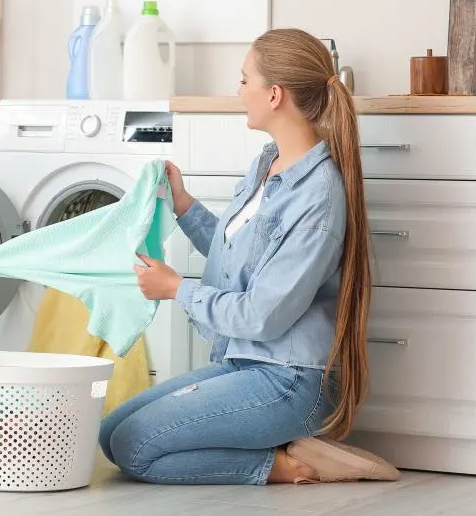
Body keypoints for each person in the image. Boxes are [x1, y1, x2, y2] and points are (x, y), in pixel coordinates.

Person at [99, 28, 399, 485]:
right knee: (110, 434)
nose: (238, 91)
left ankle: (284, 464)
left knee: (133, 447)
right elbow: (239, 257)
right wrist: (183, 205)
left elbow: (262, 316)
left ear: (274, 94)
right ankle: (277, 445)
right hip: (244, 364)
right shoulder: (268, 164)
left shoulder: (318, 197)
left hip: (290, 382)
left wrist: (177, 289)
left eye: (244, 80)